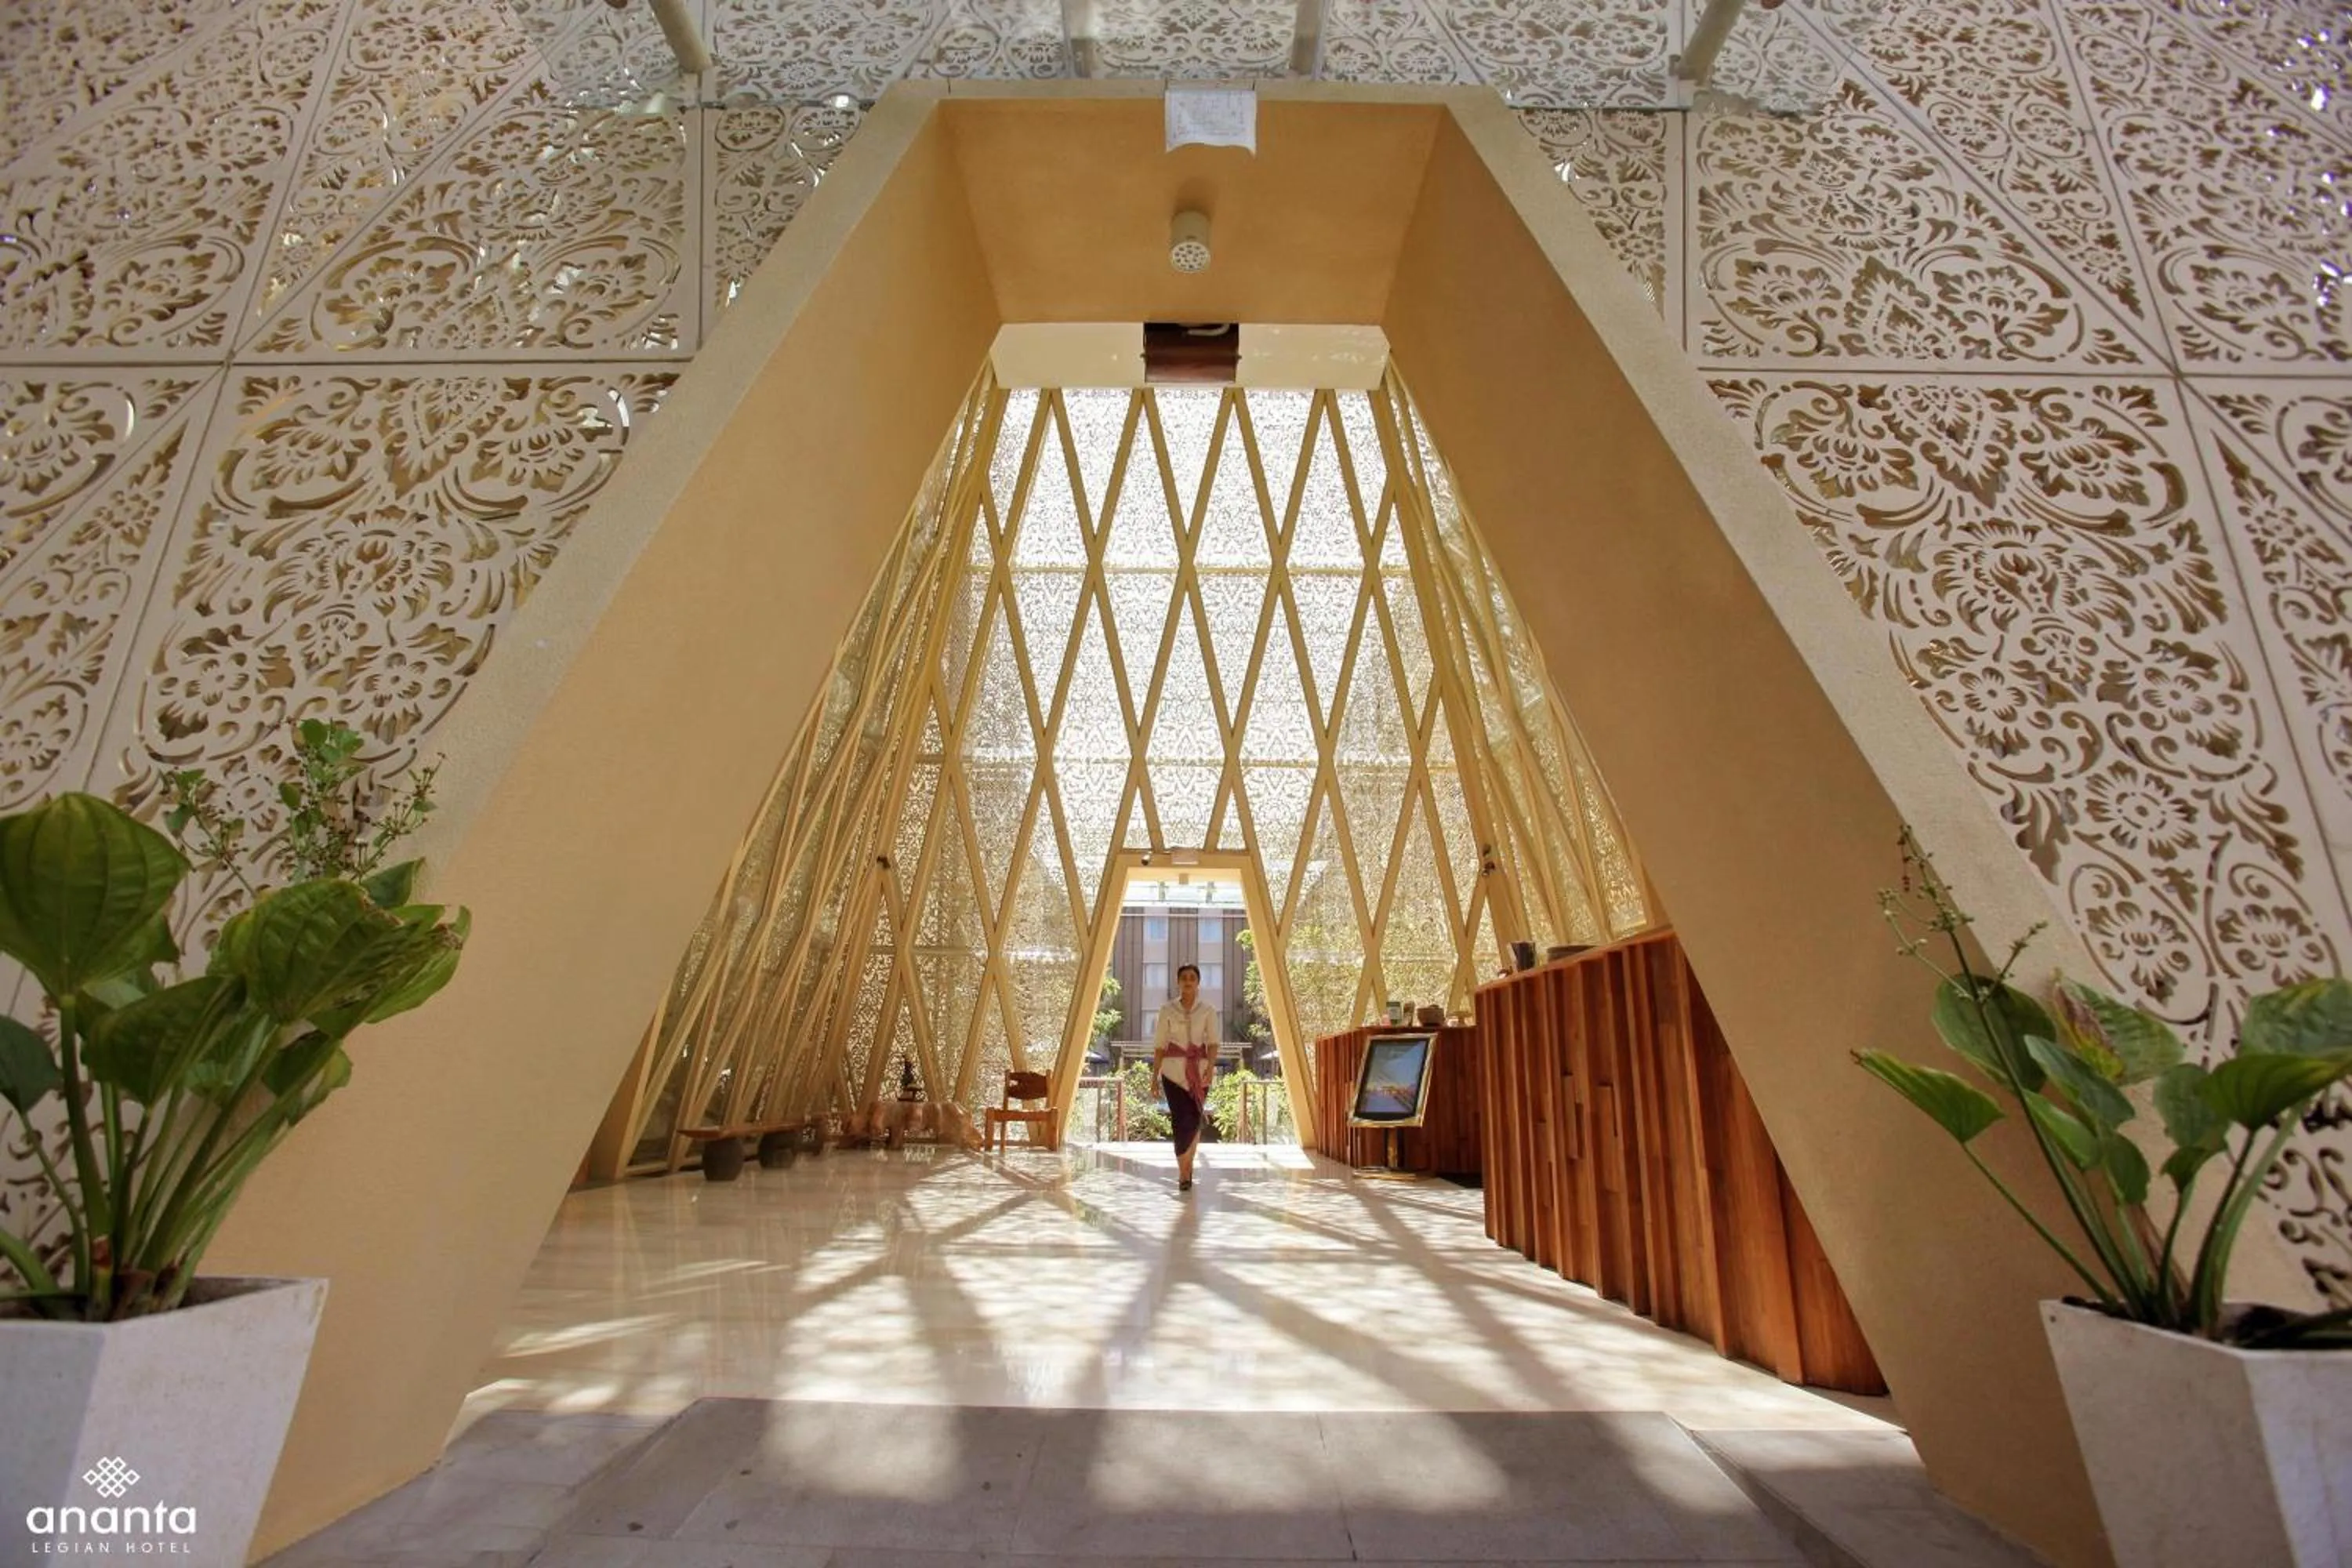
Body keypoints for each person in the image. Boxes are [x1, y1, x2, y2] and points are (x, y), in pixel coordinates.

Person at [1151, 962, 1218, 1192]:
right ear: (1178, 982)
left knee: (1194, 1121)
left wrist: (1210, 1066)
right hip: (1172, 1072)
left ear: (1198, 983)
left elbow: (1213, 1042)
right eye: (1184, 978)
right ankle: (1183, 1172)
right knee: (1180, 1122)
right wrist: (1154, 1076)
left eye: (1192, 977)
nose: (1188, 981)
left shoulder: (1208, 1010)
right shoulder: (1166, 1010)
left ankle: (1188, 1167)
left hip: (1200, 1074)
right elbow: (1160, 1045)